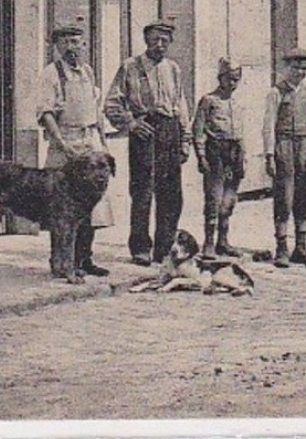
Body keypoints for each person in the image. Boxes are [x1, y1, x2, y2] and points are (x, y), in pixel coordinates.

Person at [104, 18, 192, 267]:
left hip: (170, 132)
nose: (160, 44)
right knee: (142, 192)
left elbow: (181, 105)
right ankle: (140, 248)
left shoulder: (173, 68)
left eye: (165, 40)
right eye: (155, 39)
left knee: (171, 195)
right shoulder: (131, 66)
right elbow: (112, 103)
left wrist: (184, 140)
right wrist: (131, 123)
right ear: (146, 40)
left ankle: (164, 249)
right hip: (145, 133)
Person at [36, 23, 114, 276]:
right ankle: (60, 262)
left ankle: (84, 259)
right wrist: (60, 142)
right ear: (57, 46)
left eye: (77, 42)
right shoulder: (51, 74)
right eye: (67, 42)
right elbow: (46, 112)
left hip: (89, 140)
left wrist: (102, 140)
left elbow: (96, 109)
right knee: (61, 208)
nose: (73, 48)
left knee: (92, 206)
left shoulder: (88, 72)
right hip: (66, 143)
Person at [263, 48, 306, 268]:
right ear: (286, 68)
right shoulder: (276, 93)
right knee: (284, 197)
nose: (299, 72)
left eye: (303, 69)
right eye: (296, 68)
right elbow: (268, 125)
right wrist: (269, 154)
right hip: (285, 144)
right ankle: (281, 247)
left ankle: (301, 247)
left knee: (303, 197)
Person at [192, 59, 246, 258]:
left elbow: (241, 131)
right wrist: (201, 156)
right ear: (220, 78)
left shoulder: (237, 102)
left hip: (235, 150)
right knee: (214, 197)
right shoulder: (209, 100)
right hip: (216, 151)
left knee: (229, 199)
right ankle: (209, 243)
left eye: (236, 80)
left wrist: (243, 156)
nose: (232, 84)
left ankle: (223, 241)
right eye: (229, 79)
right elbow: (198, 129)